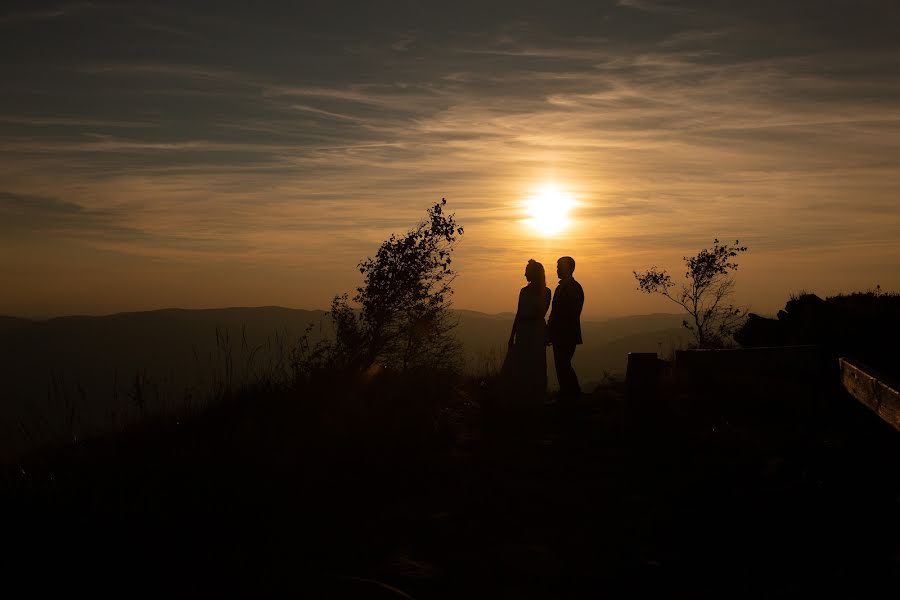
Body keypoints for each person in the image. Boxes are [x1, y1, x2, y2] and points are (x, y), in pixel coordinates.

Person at [502, 259, 552, 401]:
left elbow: (540, 312)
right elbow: (518, 313)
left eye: (527, 271)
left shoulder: (546, 292)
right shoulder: (523, 291)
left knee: (535, 363)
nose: (524, 274)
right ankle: (522, 395)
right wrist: (512, 335)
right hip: (524, 331)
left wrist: (522, 322)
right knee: (522, 363)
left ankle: (536, 396)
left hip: (535, 331)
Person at [548, 256, 584, 399]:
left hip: (566, 334)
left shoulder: (574, 287)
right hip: (560, 334)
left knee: (563, 364)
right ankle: (569, 395)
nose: (556, 270)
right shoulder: (561, 287)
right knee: (561, 365)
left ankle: (573, 395)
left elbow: (573, 312)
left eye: (559, 267)